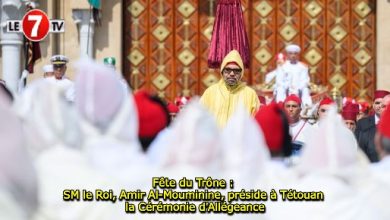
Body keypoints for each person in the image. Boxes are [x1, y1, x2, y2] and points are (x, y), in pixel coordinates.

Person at [200, 50, 260, 127]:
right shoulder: (210, 92)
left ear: (241, 73)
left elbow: (256, 123)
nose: (232, 74)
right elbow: (200, 118)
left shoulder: (250, 94)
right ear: (222, 72)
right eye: (228, 70)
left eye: (236, 71)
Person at [356, 90, 390, 162]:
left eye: (384, 105)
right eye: (377, 103)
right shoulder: (363, 126)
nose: (380, 106)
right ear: (373, 104)